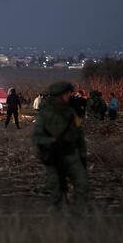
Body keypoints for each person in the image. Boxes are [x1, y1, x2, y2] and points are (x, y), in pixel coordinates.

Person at [33, 82, 89, 213]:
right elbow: (37, 137)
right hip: (55, 156)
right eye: (66, 94)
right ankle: (56, 222)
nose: (69, 96)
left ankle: (77, 216)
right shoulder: (45, 115)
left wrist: (83, 155)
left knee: (82, 185)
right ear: (58, 96)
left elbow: (80, 136)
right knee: (56, 191)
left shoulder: (71, 113)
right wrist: (52, 142)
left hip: (72, 155)